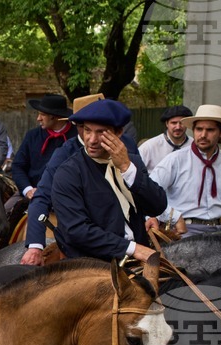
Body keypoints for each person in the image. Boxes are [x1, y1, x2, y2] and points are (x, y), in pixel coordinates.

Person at [22, 93, 144, 265]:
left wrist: (150, 216)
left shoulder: (126, 146)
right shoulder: (65, 154)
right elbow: (42, 196)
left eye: (103, 127)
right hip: (88, 243)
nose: (93, 138)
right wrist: (35, 246)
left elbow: (141, 186)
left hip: (134, 235)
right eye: (85, 126)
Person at [51, 99, 167, 262]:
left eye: (101, 132)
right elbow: (76, 231)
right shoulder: (69, 173)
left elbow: (158, 206)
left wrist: (127, 168)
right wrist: (132, 248)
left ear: (118, 133)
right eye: (87, 130)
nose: (91, 139)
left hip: (140, 259)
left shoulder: (133, 162)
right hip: (92, 265)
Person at [147, 105, 221, 236]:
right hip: (183, 231)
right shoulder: (176, 159)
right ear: (193, 130)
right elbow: (150, 194)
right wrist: (172, 216)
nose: (203, 135)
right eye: (199, 129)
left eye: (210, 130)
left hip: (219, 229)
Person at [7, 93, 77, 216]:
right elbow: (18, 166)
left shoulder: (77, 137)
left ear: (56, 117)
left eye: (42, 114)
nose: (38, 118)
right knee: (4, 215)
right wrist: (28, 190)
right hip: (32, 191)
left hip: (68, 195)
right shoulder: (32, 136)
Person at [138, 105, 194, 171]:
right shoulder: (150, 147)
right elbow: (135, 171)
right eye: (174, 123)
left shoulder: (194, 145)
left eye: (181, 123)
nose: (178, 127)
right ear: (167, 124)